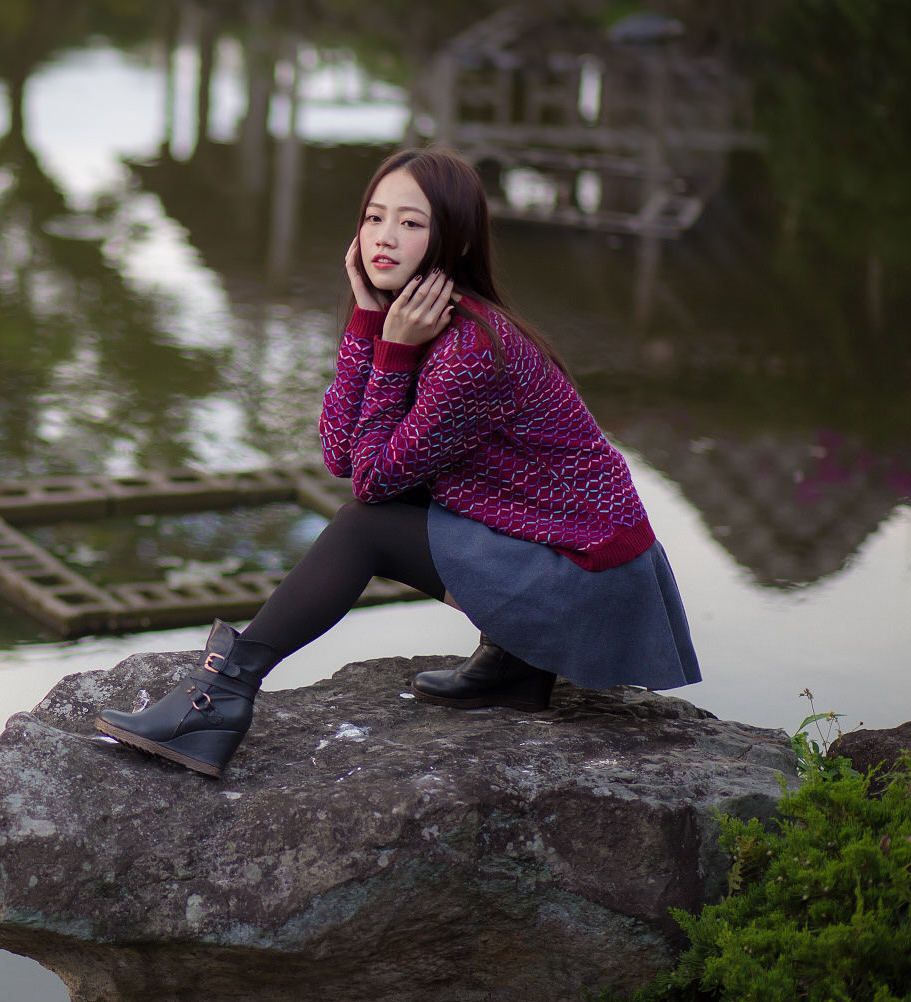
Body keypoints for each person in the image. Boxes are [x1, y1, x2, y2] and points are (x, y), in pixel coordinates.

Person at [95, 145, 701, 779]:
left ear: (455, 243)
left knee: (366, 524)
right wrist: (368, 324)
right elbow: (339, 452)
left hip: (590, 584)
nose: (384, 238)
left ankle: (221, 695)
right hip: (565, 564)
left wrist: (390, 354)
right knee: (387, 498)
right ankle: (513, 668)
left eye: (411, 223)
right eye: (374, 218)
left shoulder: (469, 347)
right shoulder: (422, 322)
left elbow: (371, 483)